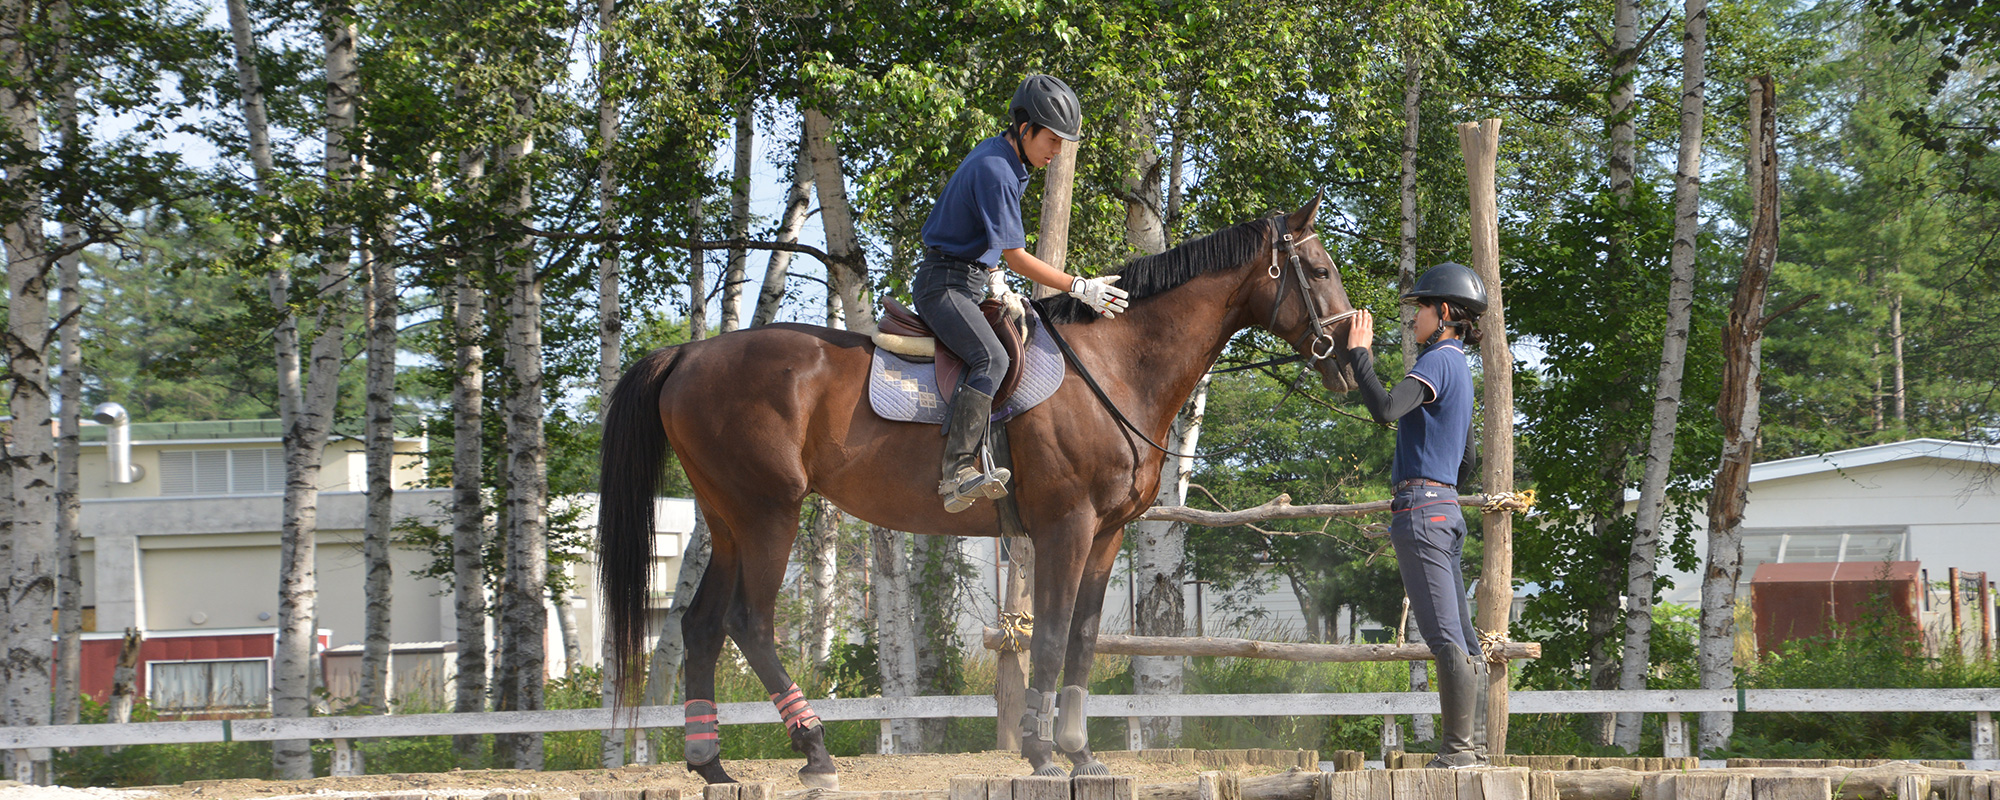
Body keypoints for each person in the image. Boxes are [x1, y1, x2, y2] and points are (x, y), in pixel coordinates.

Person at [914, 74, 1130, 513]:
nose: (1056, 152)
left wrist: (993, 279)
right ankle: (956, 473)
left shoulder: (1009, 162)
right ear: (1025, 126)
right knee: (991, 358)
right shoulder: (996, 169)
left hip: (971, 280)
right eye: (1052, 140)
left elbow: (987, 241)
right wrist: (1078, 286)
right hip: (946, 286)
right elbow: (1017, 255)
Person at [1343, 261, 1489, 768]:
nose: (1415, 318)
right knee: (1463, 634)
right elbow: (1468, 459)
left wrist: (1359, 353)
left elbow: (1385, 409)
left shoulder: (1436, 359)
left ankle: (1457, 751)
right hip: (1446, 511)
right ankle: (1474, 746)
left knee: (1444, 635)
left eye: (1422, 308)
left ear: (1444, 313)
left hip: (1422, 515)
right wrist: (1440, 488)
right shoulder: (1462, 369)